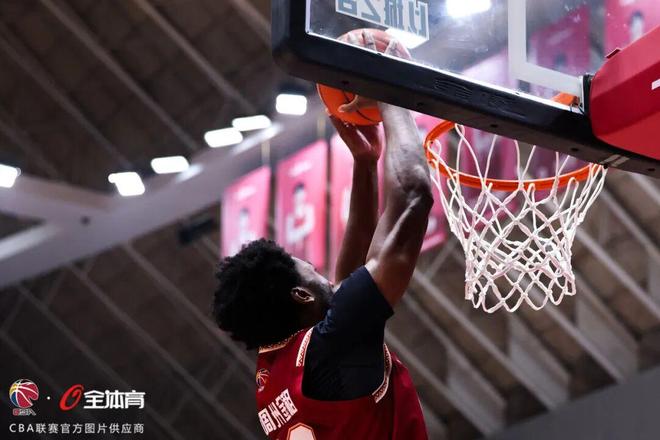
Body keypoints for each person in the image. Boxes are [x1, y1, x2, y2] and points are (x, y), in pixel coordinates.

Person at [213, 33, 431, 440]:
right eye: (312, 270)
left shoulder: (276, 374)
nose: (325, 276)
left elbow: (349, 285)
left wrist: (365, 164)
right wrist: (391, 89)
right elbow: (414, 196)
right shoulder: (332, 345)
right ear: (300, 295)